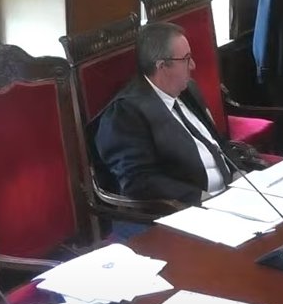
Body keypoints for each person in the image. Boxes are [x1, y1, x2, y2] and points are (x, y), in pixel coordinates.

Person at [95, 22, 243, 204]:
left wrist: (239, 172)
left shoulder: (188, 90)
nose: (193, 65)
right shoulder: (125, 114)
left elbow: (217, 142)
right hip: (192, 207)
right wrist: (196, 197)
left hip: (234, 193)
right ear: (162, 66)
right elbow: (138, 180)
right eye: (186, 59)